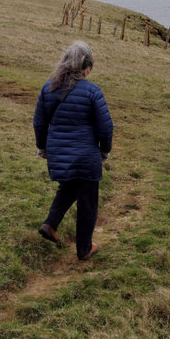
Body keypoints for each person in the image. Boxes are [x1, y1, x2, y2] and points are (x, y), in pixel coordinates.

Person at [33, 41, 114, 260]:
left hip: (59, 153)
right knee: (88, 202)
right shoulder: (92, 92)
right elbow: (106, 127)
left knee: (68, 187)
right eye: (91, 65)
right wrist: (104, 151)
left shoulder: (48, 88)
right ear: (84, 65)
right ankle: (84, 249)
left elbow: (39, 123)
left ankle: (50, 225)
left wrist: (43, 148)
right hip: (87, 157)